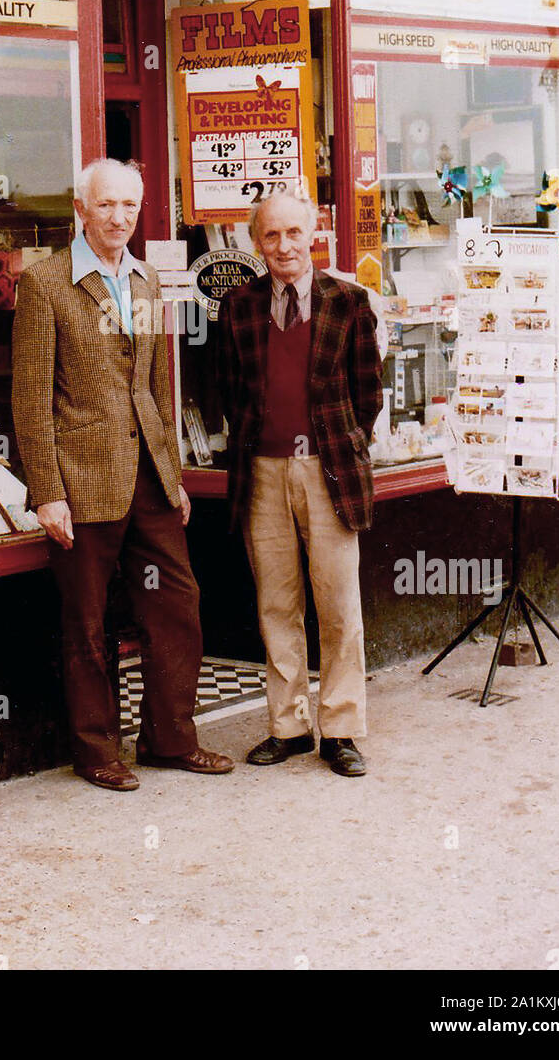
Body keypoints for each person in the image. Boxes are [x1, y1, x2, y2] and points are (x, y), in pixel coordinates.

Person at [11, 158, 233, 791]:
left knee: (177, 604)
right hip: (81, 480)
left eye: (130, 207)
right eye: (106, 205)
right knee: (87, 620)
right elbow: (30, 399)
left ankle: (170, 738)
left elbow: (158, 387)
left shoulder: (144, 282)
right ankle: (95, 750)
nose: (119, 218)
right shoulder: (47, 283)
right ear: (81, 209)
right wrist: (47, 492)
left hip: (149, 479)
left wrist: (175, 475)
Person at [217, 191, 383, 777]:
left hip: (327, 470)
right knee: (276, 604)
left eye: (294, 233)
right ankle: (288, 727)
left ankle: (340, 729)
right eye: (270, 236)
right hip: (260, 472)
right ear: (255, 242)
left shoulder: (349, 302)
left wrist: (335, 449)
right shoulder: (238, 306)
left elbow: (368, 397)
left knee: (338, 605)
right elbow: (230, 391)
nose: (283, 246)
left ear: (313, 234)